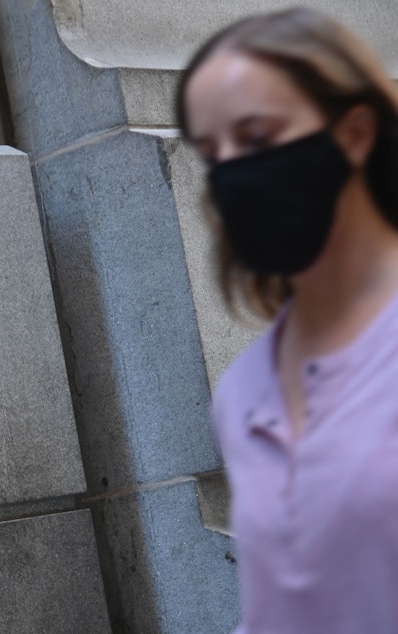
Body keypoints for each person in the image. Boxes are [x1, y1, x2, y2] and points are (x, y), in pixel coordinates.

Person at [175, 8, 398, 634]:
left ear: (354, 132)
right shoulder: (246, 392)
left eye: (256, 137)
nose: (233, 173)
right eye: (212, 151)